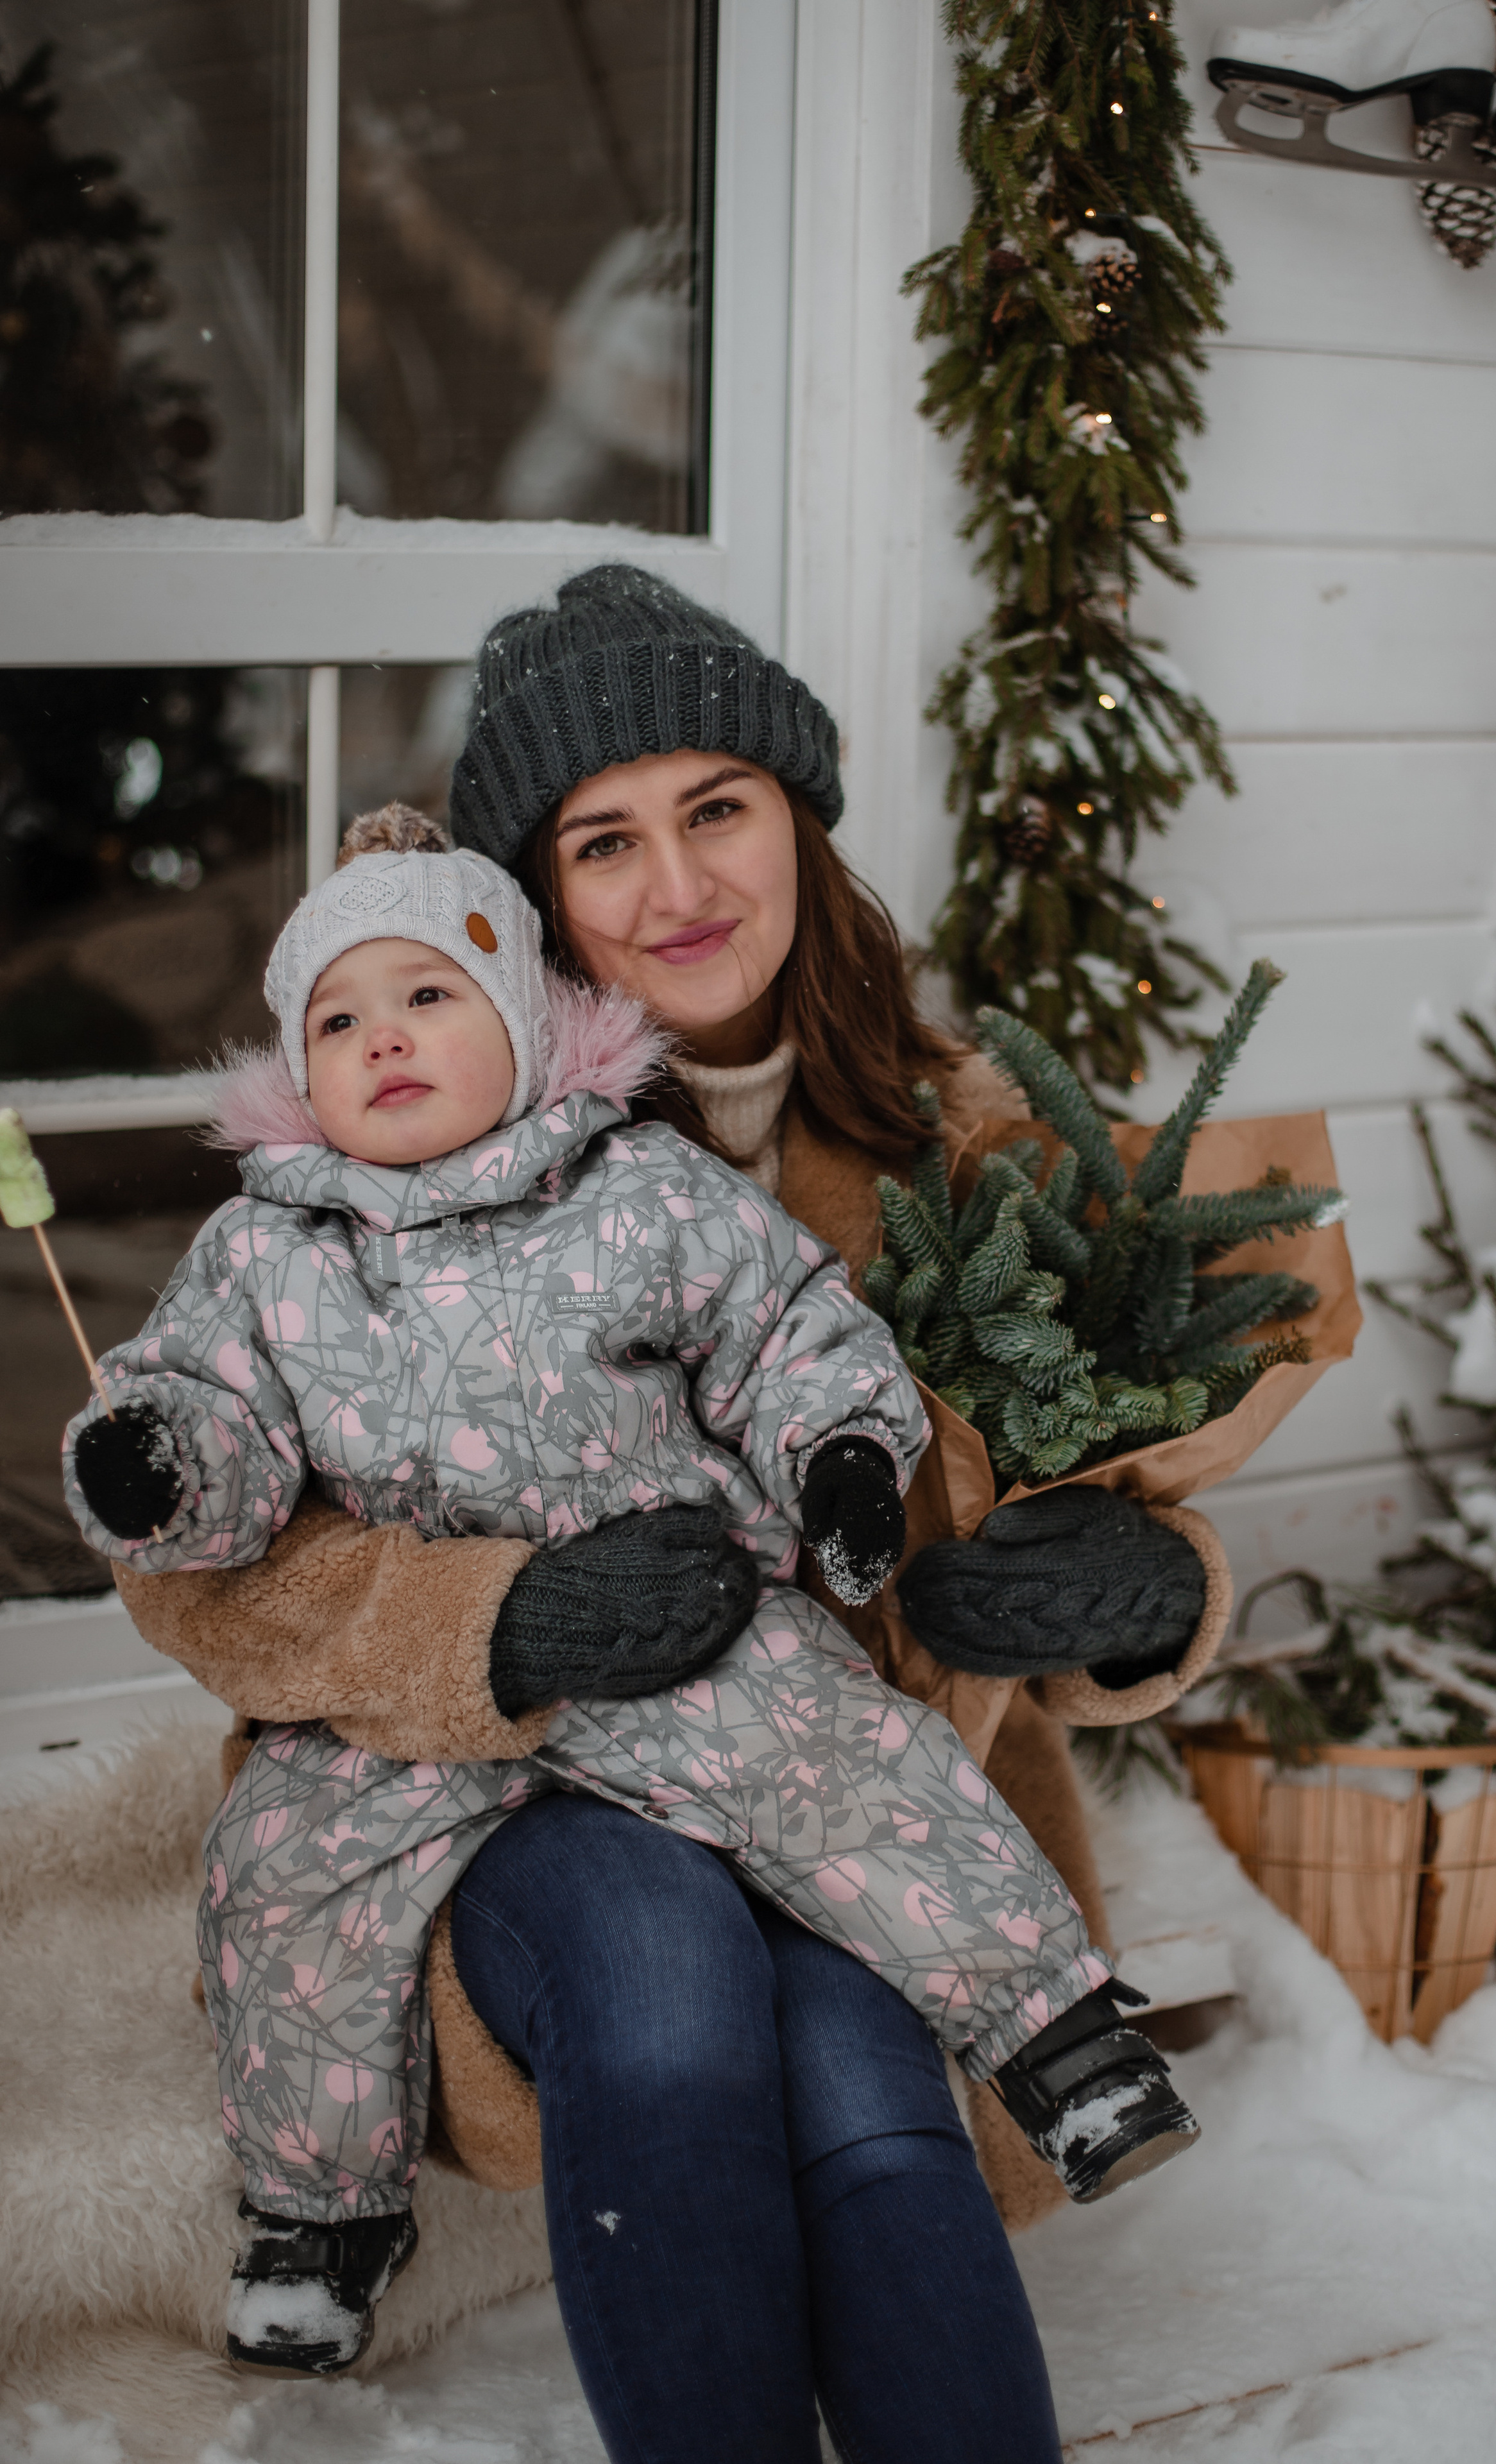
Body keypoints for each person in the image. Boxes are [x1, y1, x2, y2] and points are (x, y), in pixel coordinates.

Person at [108, 566, 1228, 2464]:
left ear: (799, 814)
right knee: (663, 1968)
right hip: (502, 1781)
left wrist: (1131, 1596)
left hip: (853, 1787)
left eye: (720, 806)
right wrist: (499, 1621)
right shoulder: (381, 1165)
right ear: (526, 902)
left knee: (863, 2046)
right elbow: (204, 1574)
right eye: (603, 840)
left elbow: (1124, 1463)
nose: (679, 885)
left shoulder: (975, 1133)